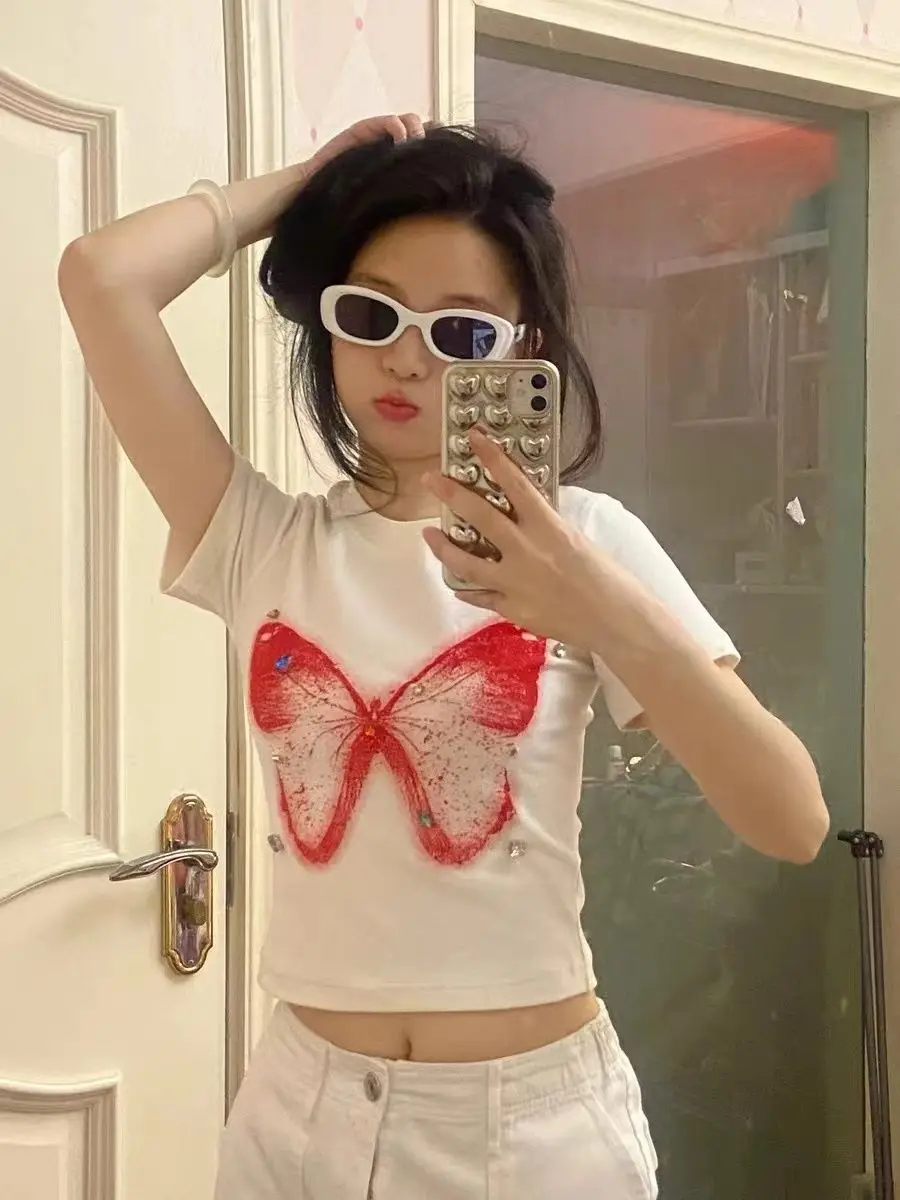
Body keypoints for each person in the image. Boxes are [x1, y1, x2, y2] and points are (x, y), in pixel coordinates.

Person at [58, 113, 829, 1200]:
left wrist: (599, 612)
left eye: (461, 332)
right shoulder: (262, 542)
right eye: (371, 313)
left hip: (527, 1132)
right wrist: (313, 183)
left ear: (521, 350)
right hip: (296, 1116)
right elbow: (100, 278)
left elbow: (792, 818)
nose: (407, 358)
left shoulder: (586, 544)